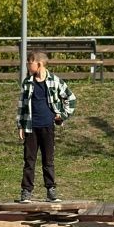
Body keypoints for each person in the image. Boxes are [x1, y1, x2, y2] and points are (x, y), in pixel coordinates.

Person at [16, 50, 76, 202]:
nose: (28, 66)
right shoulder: (27, 83)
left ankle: (51, 190)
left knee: (48, 160)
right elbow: (22, 106)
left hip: (47, 127)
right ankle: (26, 191)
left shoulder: (55, 81)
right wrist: (21, 126)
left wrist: (62, 115)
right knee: (29, 160)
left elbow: (71, 98)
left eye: (30, 63)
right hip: (31, 127)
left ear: (39, 64)